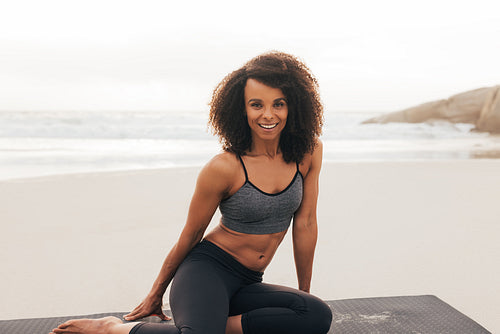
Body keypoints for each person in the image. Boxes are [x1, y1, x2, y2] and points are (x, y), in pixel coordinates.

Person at [50, 51, 332, 334]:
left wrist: (304, 293)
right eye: (256, 105)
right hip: (206, 272)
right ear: (242, 109)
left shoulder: (308, 152)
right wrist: (156, 292)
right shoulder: (224, 167)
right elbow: (191, 234)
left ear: (293, 106)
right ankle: (110, 329)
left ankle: (210, 328)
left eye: (278, 104)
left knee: (316, 314)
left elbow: (306, 223)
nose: (268, 115)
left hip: (248, 283)